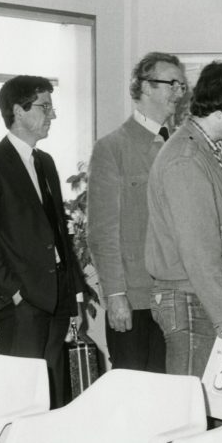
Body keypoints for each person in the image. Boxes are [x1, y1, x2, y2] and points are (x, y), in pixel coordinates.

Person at [0, 75, 83, 408]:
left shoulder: (45, 162)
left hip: (56, 294)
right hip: (22, 302)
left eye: (51, 107)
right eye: (45, 107)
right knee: (20, 396)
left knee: (54, 388)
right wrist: (14, 293)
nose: (52, 115)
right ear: (18, 110)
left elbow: (59, 231)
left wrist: (71, 292)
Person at [146, 60, 222, 378]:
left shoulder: (209, 151)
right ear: (221, 107)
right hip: (191, 298)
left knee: (211, 414)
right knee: (190, 414)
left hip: (203, 297)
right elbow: (200, 251)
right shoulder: (186, 160)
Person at [87, 52, 186, 372]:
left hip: (181, 296)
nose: (178, 92)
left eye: (181, 85)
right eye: (170, 83)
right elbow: (102, 232)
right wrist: (115, 294)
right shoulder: (112, 147)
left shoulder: (184, 147)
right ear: (144, 87)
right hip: (135, 300)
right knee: (136, 397)